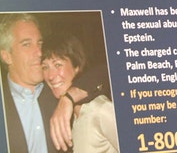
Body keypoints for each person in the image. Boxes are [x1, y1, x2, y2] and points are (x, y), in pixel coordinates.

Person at [0, 13, 107, 152]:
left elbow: (104, 72)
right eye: (27, 44)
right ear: (6, 56)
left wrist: (68, 98)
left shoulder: (57, 89)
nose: (39, 52)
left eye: (40, 43)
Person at [41, 32, 119, 153]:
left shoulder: (100, 110)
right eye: (45, 67)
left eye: (58, 65)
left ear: (76, 66)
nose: (50, 76)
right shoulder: (69, 116)